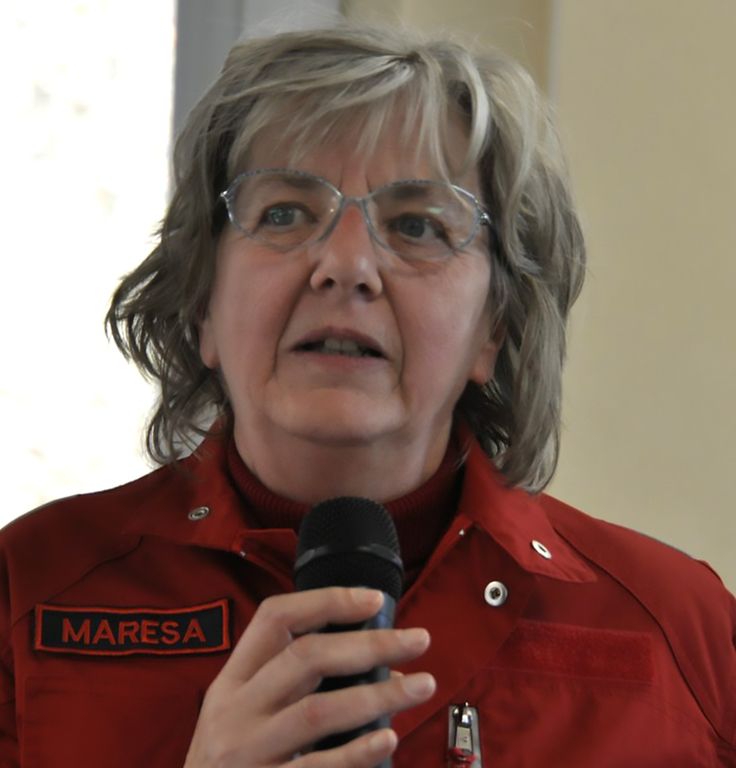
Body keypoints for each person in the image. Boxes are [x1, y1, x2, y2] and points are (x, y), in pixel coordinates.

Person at [1, 23, 734, 768]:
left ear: (495, 327)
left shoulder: (686, 631)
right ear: (201, 303)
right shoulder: (26, 594)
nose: (346, 265)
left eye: (417, 225)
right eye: (284, 213)